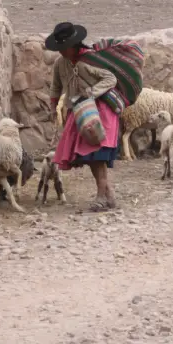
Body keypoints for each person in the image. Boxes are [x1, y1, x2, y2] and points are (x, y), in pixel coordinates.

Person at [45, 21, 145, 212]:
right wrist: (53, 107)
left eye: (65, 48)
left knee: (97, 154)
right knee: (90, 156)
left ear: (74, 45)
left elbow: (110, 79)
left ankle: (101, 196)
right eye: (60, 48)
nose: (62, 52)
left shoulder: (89, 61)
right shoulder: (60, 64)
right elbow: (56, 86)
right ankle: (108, 195)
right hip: (80, 112)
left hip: (101, 111)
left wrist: (92, 92)